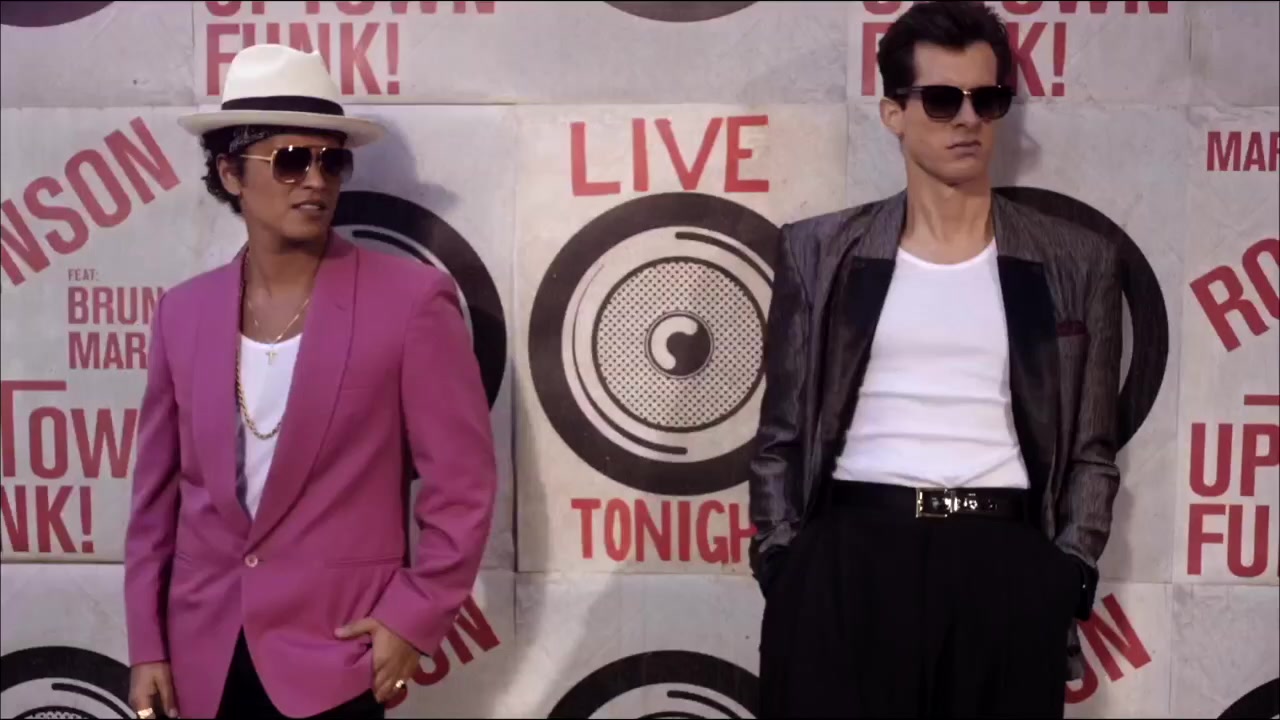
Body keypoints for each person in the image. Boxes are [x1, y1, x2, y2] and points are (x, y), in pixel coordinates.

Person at [748, 2, 1121, 717]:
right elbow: (780, 432)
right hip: (849, 562)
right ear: (894, 112)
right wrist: (783, 563)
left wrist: (1067, 573)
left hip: (1005, 567)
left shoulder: (1079, 261)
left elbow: (1091, 450)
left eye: (988, 100)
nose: (968, 119)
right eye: (943, 99)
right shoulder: (818, 251)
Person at [123, 44, 498, 720]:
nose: (316, 181)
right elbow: (156, 501)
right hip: (202, 656)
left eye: (332, 161)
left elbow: (463, 487)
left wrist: (413, 618)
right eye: (291, 160)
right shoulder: (182, 313)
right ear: (230, 172)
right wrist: (147, 644)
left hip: (338, 658)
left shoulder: (412, 302)